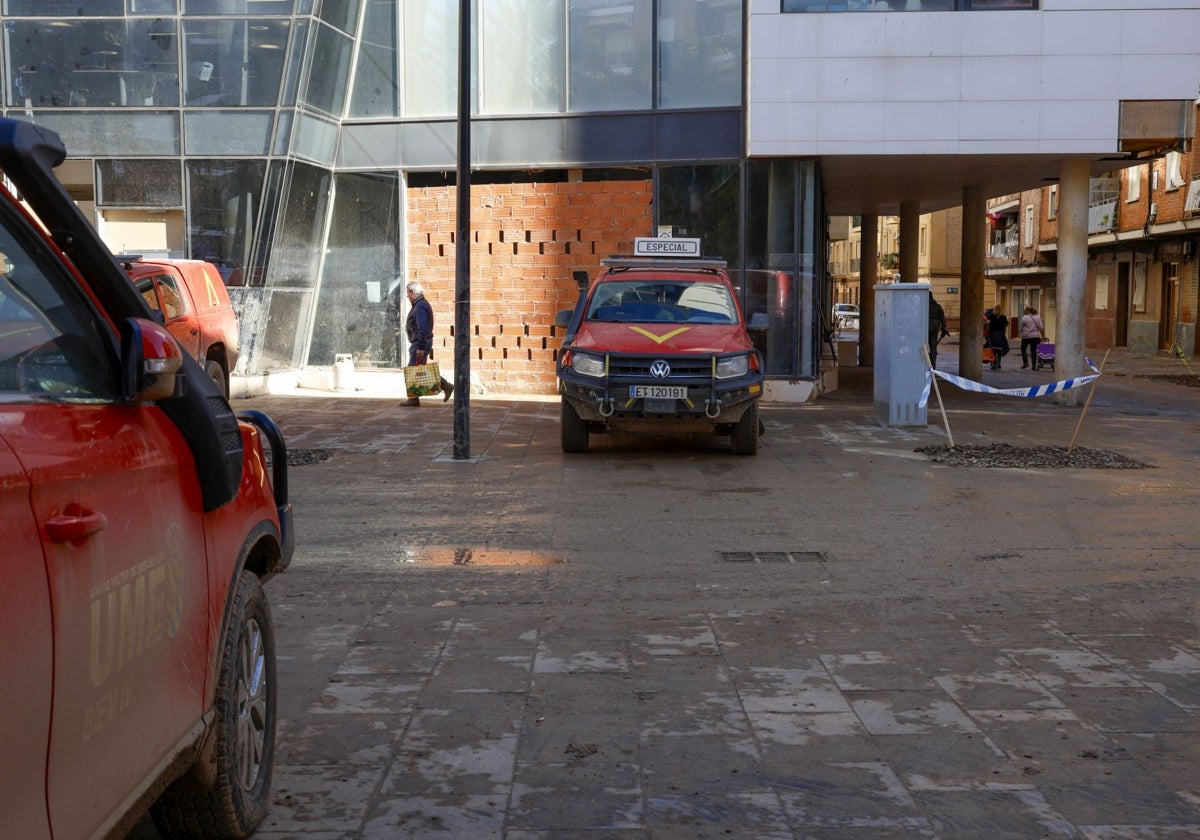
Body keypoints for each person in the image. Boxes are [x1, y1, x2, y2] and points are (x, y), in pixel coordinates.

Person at [403, 280, 453, 406]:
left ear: (413, 293)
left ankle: (413, 400)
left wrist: (420, 347)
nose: (407, 296)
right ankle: (447, 386)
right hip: (420, 342)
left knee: (413, 370)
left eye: (408, 293)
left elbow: (423, 328)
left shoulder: (420, 306)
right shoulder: (420, 305)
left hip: (420, 343)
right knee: (419, 369)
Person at [1018, 305, 1045, 370]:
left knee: (1023, 349)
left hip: (1026, 336)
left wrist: (1023, 332)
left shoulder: (1024, 318)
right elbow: (1041, 327)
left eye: (1025, 311)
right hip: (1035, 336)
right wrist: (1043, 336)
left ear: (1028, 311)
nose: (1024, 312)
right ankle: (1033, 366)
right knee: (1033, 351)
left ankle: (1025, 363)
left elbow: (1021, 328)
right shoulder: (1038, 317)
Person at [927, 293, 949, 369]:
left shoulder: (923, 306)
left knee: (923, 346)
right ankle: (933, 365)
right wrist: (944, 327)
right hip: (935, 327)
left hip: (925, 327)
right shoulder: (937, 306)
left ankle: (925, 364)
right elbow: (942, 318)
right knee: (933, 347)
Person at [986, 305, 1009, 369]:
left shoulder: (992, 316)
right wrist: (1003, 328)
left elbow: (988, 324)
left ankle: (994, 364)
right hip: (1001, 334)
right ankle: (999, 363)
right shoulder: (1003, 317)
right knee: (999, 349)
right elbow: (1007, 324)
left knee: (993, 350)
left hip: (993, 334)